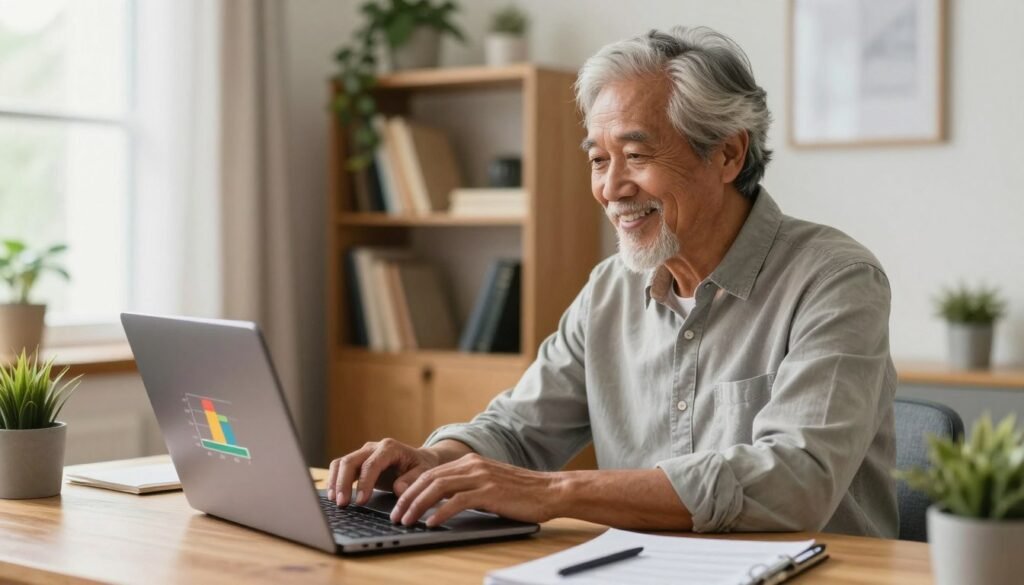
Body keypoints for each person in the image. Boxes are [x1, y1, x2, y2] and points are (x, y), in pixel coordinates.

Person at [327, 26, 898, 537]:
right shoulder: (610, 290)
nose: (611, 188)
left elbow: (795, 481)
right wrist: (438, 461)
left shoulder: (836, 279)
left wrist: (555, 493)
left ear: (727, 153)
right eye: (599, 160)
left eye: (636, 154)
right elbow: (519, 429)